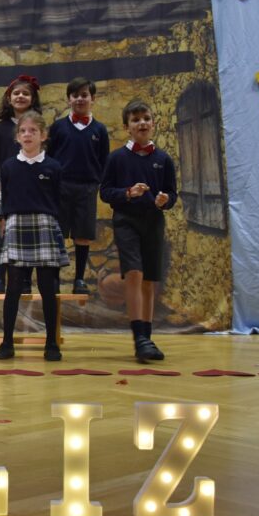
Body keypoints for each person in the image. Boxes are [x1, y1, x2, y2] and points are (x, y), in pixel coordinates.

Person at [99, 99, 178, 363]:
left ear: (153, 123)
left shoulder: (163, 159)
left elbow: (172, 193)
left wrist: (165, 200)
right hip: (126, 221)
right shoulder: (117, 158)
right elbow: (106, 192)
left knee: (149, 280)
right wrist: (128, 193)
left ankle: (147, 335)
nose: (141, 123)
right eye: (135, 119)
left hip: (153, 222)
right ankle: (139, 338)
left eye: (146, 118)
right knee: (134, 272)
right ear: (127, 127)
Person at [0, 112, 69, 362]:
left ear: (43, 135)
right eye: (23, 131)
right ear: (17, 137)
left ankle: (51, 343)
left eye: (33, 131)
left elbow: (59, 199)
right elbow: (5, 197)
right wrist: (6, 223)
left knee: (48, 288)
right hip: (17, 225)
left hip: (44, 224)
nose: (28, 135)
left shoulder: (53, 167)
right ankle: (7, 342)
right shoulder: (8, 167)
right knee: (13, 287)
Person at [47, 77, 110, 295]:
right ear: (68, 99)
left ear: (93, 98)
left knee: (82, 234)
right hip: (61, 187)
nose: (80, 99)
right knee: (57, 233)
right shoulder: (58, 127)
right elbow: (50, 157)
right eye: (75, 95)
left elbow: (103, 160)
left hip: (87, 188)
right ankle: (54, 279)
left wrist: (95, 182)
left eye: (84, 95)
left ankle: (79, 279)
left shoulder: (99, 130)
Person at [0, 75, 42, 293]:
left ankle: (25, 281)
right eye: (16, 93)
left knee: (29, 231)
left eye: (26, 93)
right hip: (8, 184)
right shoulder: (1, 128)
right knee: (6, 233)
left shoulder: (38, 126)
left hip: (32, 185)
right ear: (9, 98)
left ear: (33, 98)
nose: (21, 96)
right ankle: (1, 279)